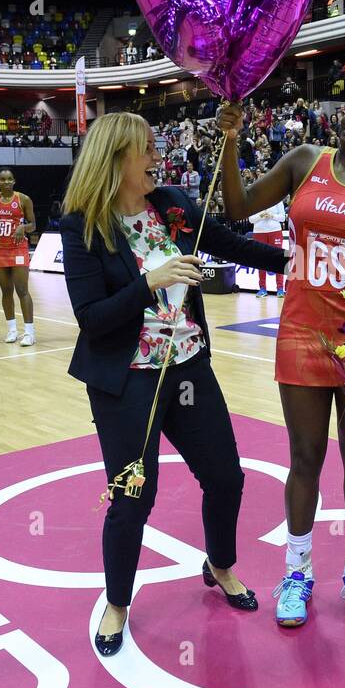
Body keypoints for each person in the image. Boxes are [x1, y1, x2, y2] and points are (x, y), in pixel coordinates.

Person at [59, 113, 287, 656]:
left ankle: (221, 565)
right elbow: (92, 318)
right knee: (133, 496)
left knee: (227, 478)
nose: (156, 156)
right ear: (116, 160)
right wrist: (149, 283)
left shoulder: (172, 204)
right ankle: (117, 604)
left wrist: (292, 261)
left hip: (187, 368)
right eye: (145, 148)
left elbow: (231, 245)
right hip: (128, 381)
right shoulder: (81, 224)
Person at [220, 93, 345, 627]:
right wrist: (230, 141)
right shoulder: (304, 159)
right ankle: (297, 573)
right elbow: (237, 208)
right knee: (304, 457)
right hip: (301, 329)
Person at [0, 169, 37, 346]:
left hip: (18, 249)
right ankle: (12, 330)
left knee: (22, 290)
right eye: (3, 179)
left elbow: (33, 225)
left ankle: (29, 333)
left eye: (10, 179)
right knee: (6, 291)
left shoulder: (23, 199)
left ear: (14, 181)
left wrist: (23, 227)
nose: (7, 182)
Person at [250, 198, 287, 297]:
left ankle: (280, 289)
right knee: (260, 260)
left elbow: (283, 218)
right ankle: (262, 288)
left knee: (278, 259)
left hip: (275, 231)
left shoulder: (277, 200)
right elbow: (250, 219)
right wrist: (261, 216)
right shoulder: (254, 200)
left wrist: (272, 215)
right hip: (259, 232)